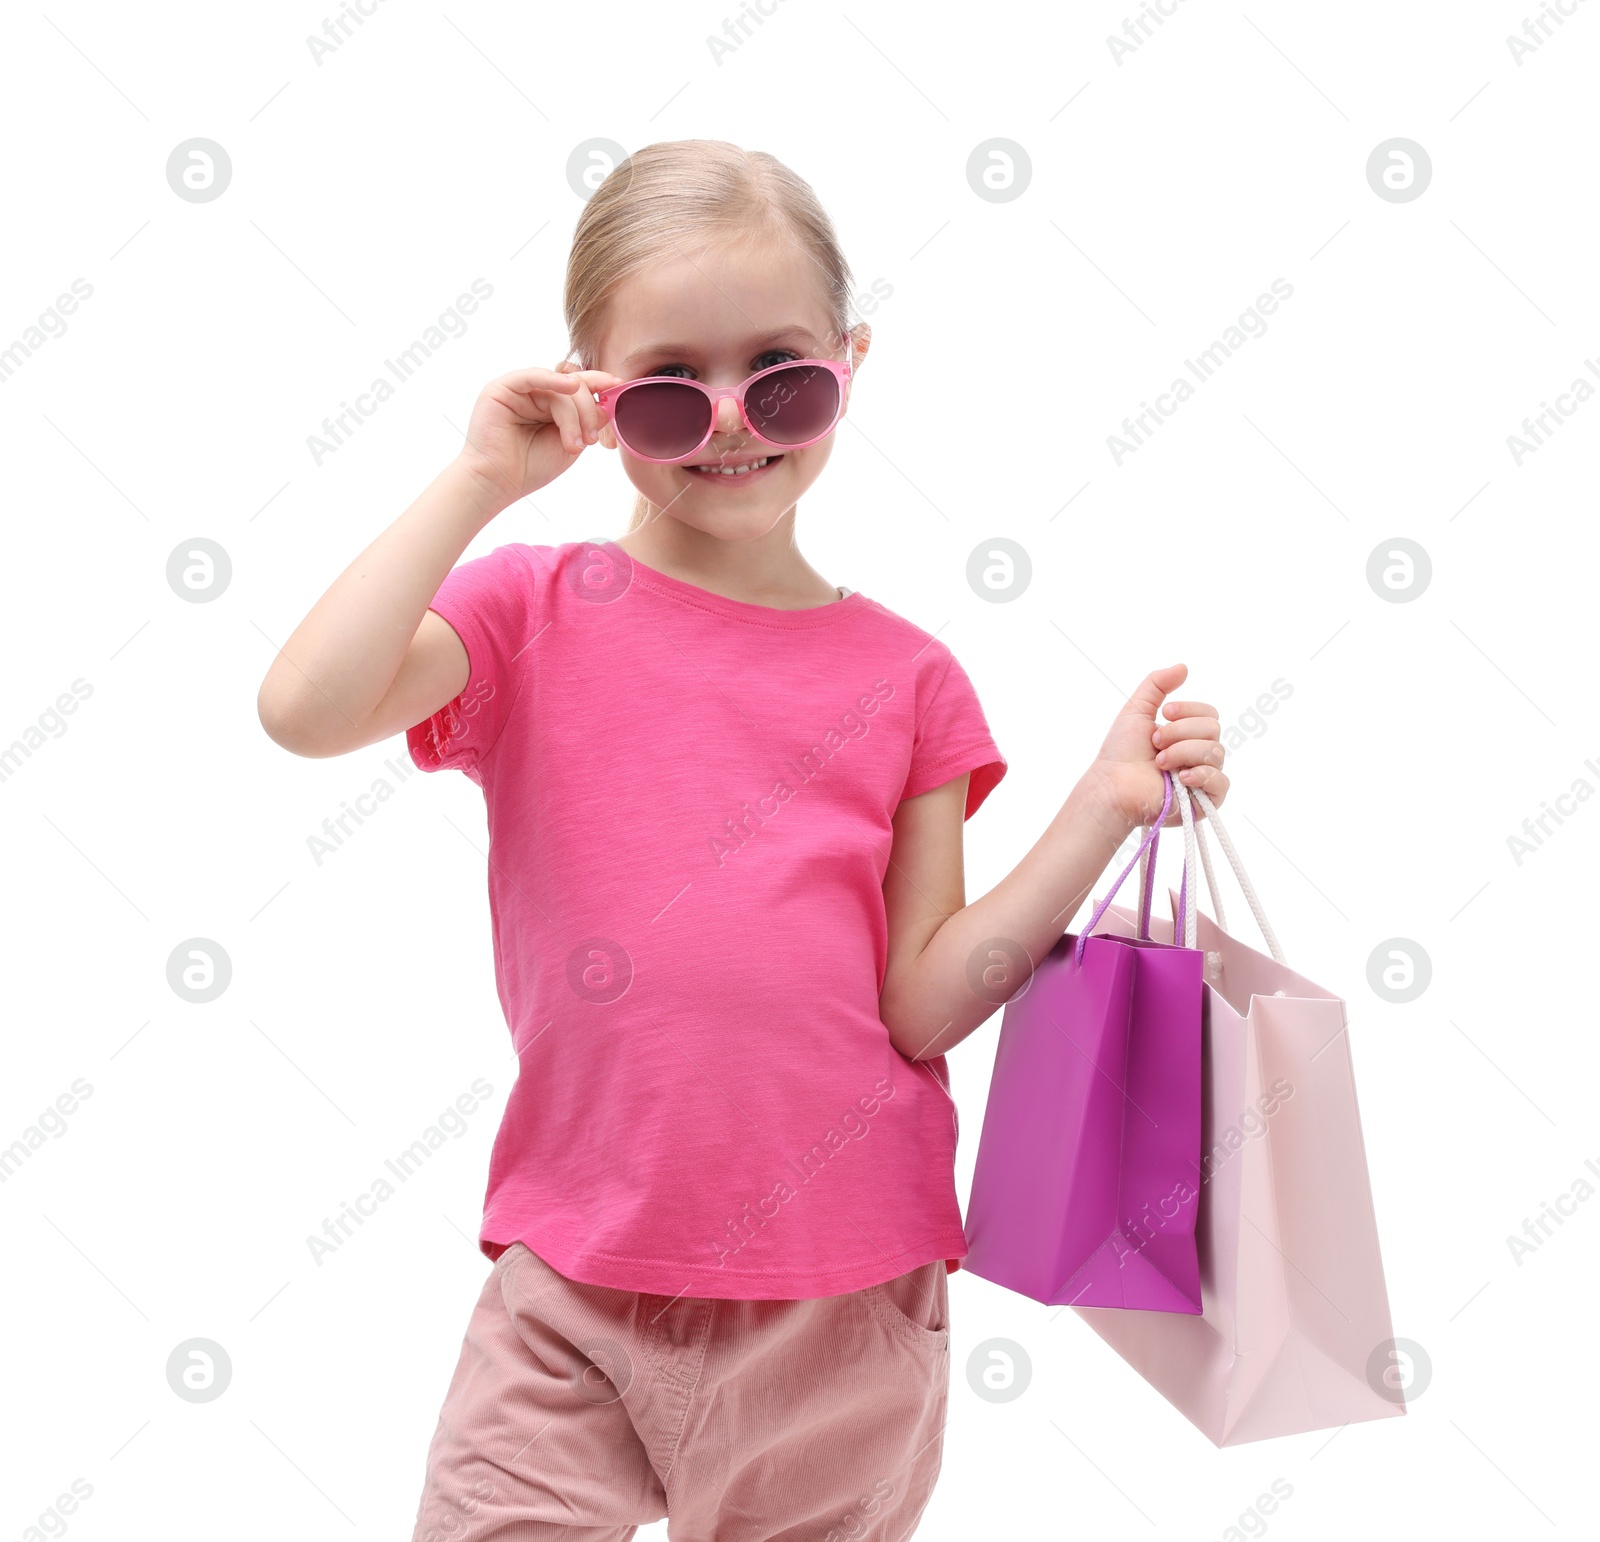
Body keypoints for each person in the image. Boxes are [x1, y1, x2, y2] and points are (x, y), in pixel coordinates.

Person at [256, 138, 1230, 1542]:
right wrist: (480, 478)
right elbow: (305, 707)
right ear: (592, 393)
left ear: (853, 359)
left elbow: (921, 999)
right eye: (665, 387)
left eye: (781, 372)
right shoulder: (531, 611)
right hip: (575, 1279)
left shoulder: (910, 680)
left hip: (841, 1295)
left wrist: (1103, 803)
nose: (728, 420)